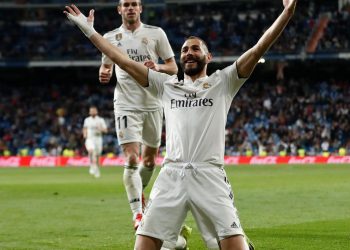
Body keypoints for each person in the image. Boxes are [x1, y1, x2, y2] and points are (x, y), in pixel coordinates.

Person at [64, 0, 297, 249]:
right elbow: (122, 61)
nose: (188, 53)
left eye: (195, 49)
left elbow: (260, 47)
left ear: (208, 57)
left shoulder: (224, 82)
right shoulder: (166, 85)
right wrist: (88, 30)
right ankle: (176, 242)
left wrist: (287, 12)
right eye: (185, 50)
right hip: (171, 175)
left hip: (209, 175)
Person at [98, 0, 178, 230]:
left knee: (150, 160)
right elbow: (106, 66)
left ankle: (140, 198)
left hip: (153, 104)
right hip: (126, 104)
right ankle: (138, 214)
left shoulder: (156, 33)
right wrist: (104, 73)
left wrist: (159, 67)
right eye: (126, 4)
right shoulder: (110, 37)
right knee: (132, 158)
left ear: (140, 8)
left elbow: (173, 67)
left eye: (135, 4)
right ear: (119, 9)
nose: (131, 8)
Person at [83, 106, 107, 178]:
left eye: (94, 111)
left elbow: (105, 130)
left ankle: (96, 169)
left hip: (98, 139)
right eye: (91, 111)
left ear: (97, 112)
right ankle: (91, 166)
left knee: (97, 155)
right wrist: (85, 135)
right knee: (91, 151)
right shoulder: (87, 120)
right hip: (90, 138)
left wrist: (100, 129)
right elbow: (85, 128)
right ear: (89, 112)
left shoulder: (100, 120)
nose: (93, 112)